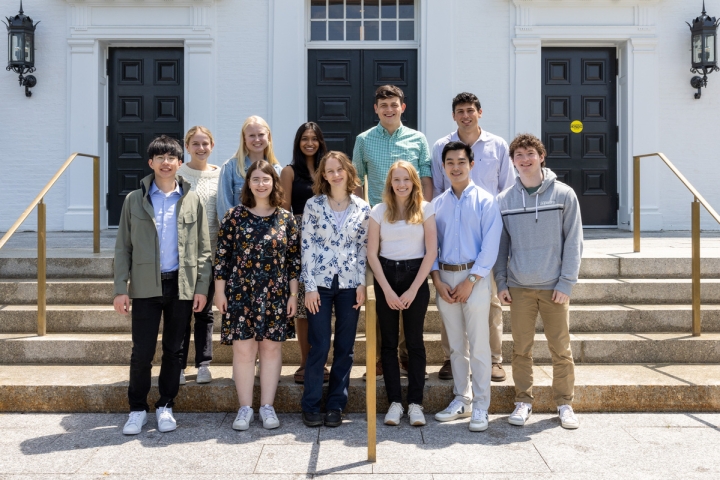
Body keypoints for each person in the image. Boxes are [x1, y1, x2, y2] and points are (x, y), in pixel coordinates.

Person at [114, 135, 211, 435]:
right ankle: (137, 408)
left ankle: (166, 405)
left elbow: (204, 250)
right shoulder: (134, 200)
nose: (166, 163)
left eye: (171, 158)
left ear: (180, 163)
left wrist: (201, 288)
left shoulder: (192, 199)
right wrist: (120, 288)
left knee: (174, 350)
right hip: (145, 287)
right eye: (160, 158)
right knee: (141, 351)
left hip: (181, 286)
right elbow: (122, 248)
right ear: (151, 163)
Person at [494, 133, 583, 430]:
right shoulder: (504, 200)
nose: (525, 159)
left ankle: (564, 403)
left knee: (561, 349)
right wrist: (501, 282)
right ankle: (523, 401)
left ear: (541, 156)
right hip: (519, 287)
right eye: (518, 155)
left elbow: (574, 241)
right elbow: (501, 245)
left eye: (530, 153)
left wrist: (566, 283)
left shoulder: (564, 195)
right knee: (521, 349)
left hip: (553, 287)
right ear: (513, 161)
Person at [431, 92, 515, 383]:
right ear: (453, 115)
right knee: (449, 301)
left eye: (470, 110)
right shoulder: (441, 146)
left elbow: (506, 189)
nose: (465, 115)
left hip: (487, 230)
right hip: (454, 230)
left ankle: (493, 359)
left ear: (480, 112)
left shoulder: (498, 145)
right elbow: (439, 188)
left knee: (490, 300)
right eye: (460, 111)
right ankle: (450, 356)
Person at [352, 84, 432, 380]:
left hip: (411, 224)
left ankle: (405, 354)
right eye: (383, 105)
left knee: (408, 296)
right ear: (376, 109)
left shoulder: (418, 139)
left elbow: (425, 178)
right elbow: (357, 179)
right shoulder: (363, 140)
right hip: (379, 224)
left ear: (402, 107)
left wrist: (426, 215)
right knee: (378, 298)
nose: (389, 109)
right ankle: (377, 358)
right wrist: (364, 216)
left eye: (394, 105)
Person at [214, 160, 301, 431]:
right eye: (256, 179)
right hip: (240, 293)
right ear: (248, 184)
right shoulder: (234, 216)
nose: (261, 184)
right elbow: (222, 258)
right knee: (243, 348)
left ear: (275, 183)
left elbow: (293, 261)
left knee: (271, 348)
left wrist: (293, 295)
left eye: (266, 179)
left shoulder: (286, 218)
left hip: (276, 293)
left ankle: (267, 407)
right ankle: (244, 408)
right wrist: (219, 292)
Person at [431, 141, 502, 432]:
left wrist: (471, 281)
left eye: (461, 161)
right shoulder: (437, 204)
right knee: (457, 345)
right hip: (444, 281)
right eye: (450, 162)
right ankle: (463, 398)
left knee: (479, 343)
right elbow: (430, 246)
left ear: (471, 165)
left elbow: (491, 245)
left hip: (476, 279)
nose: (456, 167)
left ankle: (482, 406)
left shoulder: (486, 201)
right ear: (443, 166)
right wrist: (436, 279)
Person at [300, 151, 370, 428]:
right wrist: (309, 287)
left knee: (345, 347)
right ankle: (311, 404)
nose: (335, 174)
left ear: (348, 172)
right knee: (319, 344)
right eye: (330, 171)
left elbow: (364, 248)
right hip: (320, 284)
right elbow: (306, 246)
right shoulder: (313, 205)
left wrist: (364, 282)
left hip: (351, 285)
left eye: (339, 169)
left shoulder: (363, 208)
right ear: (324, 176)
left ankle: (336, 405)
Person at [367, 161, 437, 427]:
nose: (401, 184)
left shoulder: (425, 209)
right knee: (388, 343)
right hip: (386, 276)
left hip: (415, 277)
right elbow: (372, 253)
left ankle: (416, 404)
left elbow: (431, 252)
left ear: (414, 182)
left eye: (406, 180)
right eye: (396, 180)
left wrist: (413, 289)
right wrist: (385, 289)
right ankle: (395, 402)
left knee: (415, 342)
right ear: (390, 183)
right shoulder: (379, 211)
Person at [279, 122, 330, 385]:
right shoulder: (289, 171)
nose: (310, 143)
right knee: (302, 306)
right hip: (299, 240)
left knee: (323, 303)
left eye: (314, 139)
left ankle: (322, 362)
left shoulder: (329, 170)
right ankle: (305, 361)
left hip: (328, 241)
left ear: (321, 142)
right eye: (304, 139)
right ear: (298, 142)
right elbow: (284, 210)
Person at [177, 126, 219, 386]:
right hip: (184, 255)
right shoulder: (179, 174)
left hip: (212, 253)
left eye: (205, 143)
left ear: (212, 146)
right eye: (195, 143)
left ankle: (204, 364)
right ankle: (178, 364)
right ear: (187, 146)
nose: (201, 148)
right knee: (181, 311)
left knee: (205, 312)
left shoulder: (220, 173)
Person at [217, 115, 282, 222]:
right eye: (252, 135)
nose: (257, 139)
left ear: (268, 136)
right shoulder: (230, 168)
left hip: (270, 234)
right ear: (244, 138)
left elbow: (281, 207)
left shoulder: (277, 170)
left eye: (261, 134)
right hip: (239, 235)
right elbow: (224, 209)